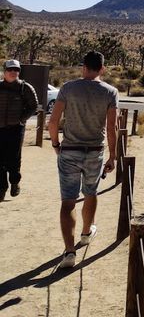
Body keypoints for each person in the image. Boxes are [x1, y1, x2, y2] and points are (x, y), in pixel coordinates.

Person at [48, 51, 118, 269]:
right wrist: (113, 155)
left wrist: (55, 144)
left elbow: (53, 121)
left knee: (68, 201)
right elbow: (112, 128)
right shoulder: (110, 92)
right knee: (91, 192)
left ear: (84, 67)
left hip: (69, 149)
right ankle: (86, 232)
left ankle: (69, 252)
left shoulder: (68, 88)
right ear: (102, 69)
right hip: (95, 151)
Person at [0, 59, 38, 201]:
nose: (13, 72)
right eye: (10, 70)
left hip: (16, 129)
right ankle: (1, 188)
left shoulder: (25, 87)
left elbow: (33, 106)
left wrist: (21, 119)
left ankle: (15, 182)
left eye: (16, 70)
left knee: (14, 160)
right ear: (5, 71)